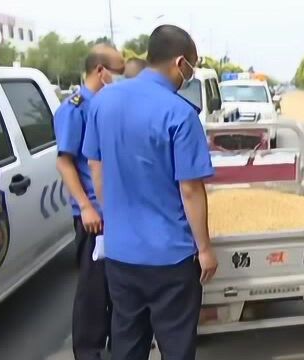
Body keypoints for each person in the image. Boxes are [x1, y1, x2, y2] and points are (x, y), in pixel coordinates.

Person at [82, 25, 218, 360]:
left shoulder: (103, 101)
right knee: (176, 346)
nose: (190, 74)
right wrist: (204, 249)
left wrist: (112, 215)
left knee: (127, 343)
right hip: (171, 258)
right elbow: (190, 189)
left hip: (121, 254)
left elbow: (95, 167)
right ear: (180, 62)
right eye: (192, 66)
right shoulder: (180, 114)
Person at [53, 44, 124, 360]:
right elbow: (65, 162)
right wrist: (86, 206)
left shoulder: (105, 105)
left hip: (114, 212)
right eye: (118, 72)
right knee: (93, 290)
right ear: (101, 71)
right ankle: (88, 351)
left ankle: (113, 344)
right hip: (93, 215)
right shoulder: (76, 107)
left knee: (114, 286)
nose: (120, 79)